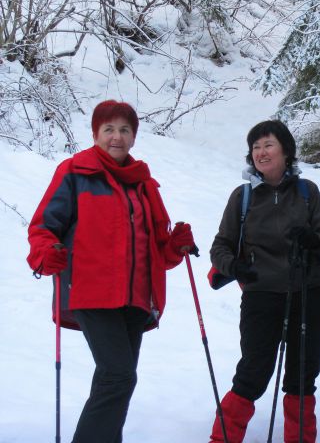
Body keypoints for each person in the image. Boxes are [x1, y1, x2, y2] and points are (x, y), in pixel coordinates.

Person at [26, 100, 195, 443]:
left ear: (134, 137)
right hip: (92, 292)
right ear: (95, 133)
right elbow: (44, 226)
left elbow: (156, 252)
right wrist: (46, 253)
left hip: (134, 299)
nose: (116, 137)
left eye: (124, 130)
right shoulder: (75, 172)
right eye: (109, 129)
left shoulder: (144, 184)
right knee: (118, 376)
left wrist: (175, 245)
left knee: (115, 377)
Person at [208, 119, 320, 443]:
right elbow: (220, 245)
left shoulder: (308, 192)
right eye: (256, 147)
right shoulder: (244, 197)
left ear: (286, 151)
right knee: (252, 372)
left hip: (308, 293)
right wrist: (234, 268)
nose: (261, 152)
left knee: (302, 377)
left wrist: (313, 240)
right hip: (261, 294)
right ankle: (222, 439)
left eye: (268, 145)